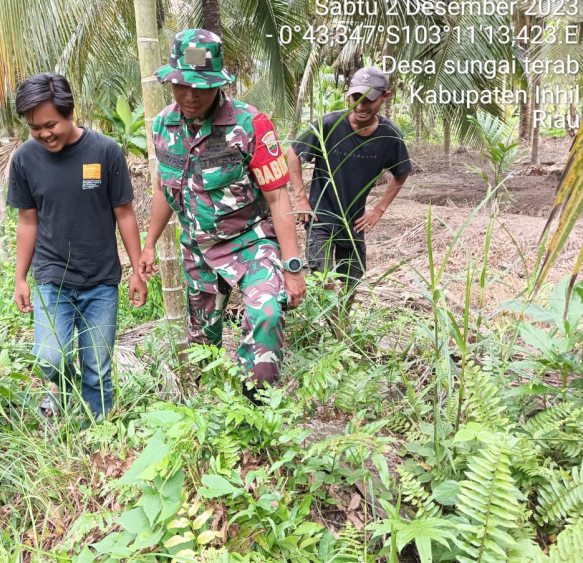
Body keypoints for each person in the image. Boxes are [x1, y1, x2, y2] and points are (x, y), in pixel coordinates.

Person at [138, 29, 306, 397]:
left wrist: (293, 268)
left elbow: (278, 199)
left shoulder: (250, 124)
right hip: (198, 250)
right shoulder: (163, 126)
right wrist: (149, 243)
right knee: (202, 343)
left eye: (201, 86)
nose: (190, 95)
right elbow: (164, 189)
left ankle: (256, 413)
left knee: (266, 315)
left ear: (219, 84)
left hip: (251, 243)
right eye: (181, 85)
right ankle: (211, 412)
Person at [7, 72, 147, 424]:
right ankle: (65, 393)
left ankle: (95, 431)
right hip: (53, 279)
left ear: (70, 112)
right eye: (34, 127)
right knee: (48, 358)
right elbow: (27, 220)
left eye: (50, 124)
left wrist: (136, 270)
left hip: (100, 281)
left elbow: (125, 213)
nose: (44, 134)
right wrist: (20, 277)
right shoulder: (24, 159)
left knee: (97, 366)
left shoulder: (105, 152)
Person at [286, 66, 412, 332]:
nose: (362, 105)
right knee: (323, 275)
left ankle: (339, 326)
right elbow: (293, 153)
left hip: (353, 222)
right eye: (357, 98)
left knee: (352, 278)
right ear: (349, 96)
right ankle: (334, 330)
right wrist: (300, 198)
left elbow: (401, 173)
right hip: (320, 217)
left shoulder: (390, 135)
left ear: (385, 97)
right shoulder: (329, 124)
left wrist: (378, 210)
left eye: (369, 99)